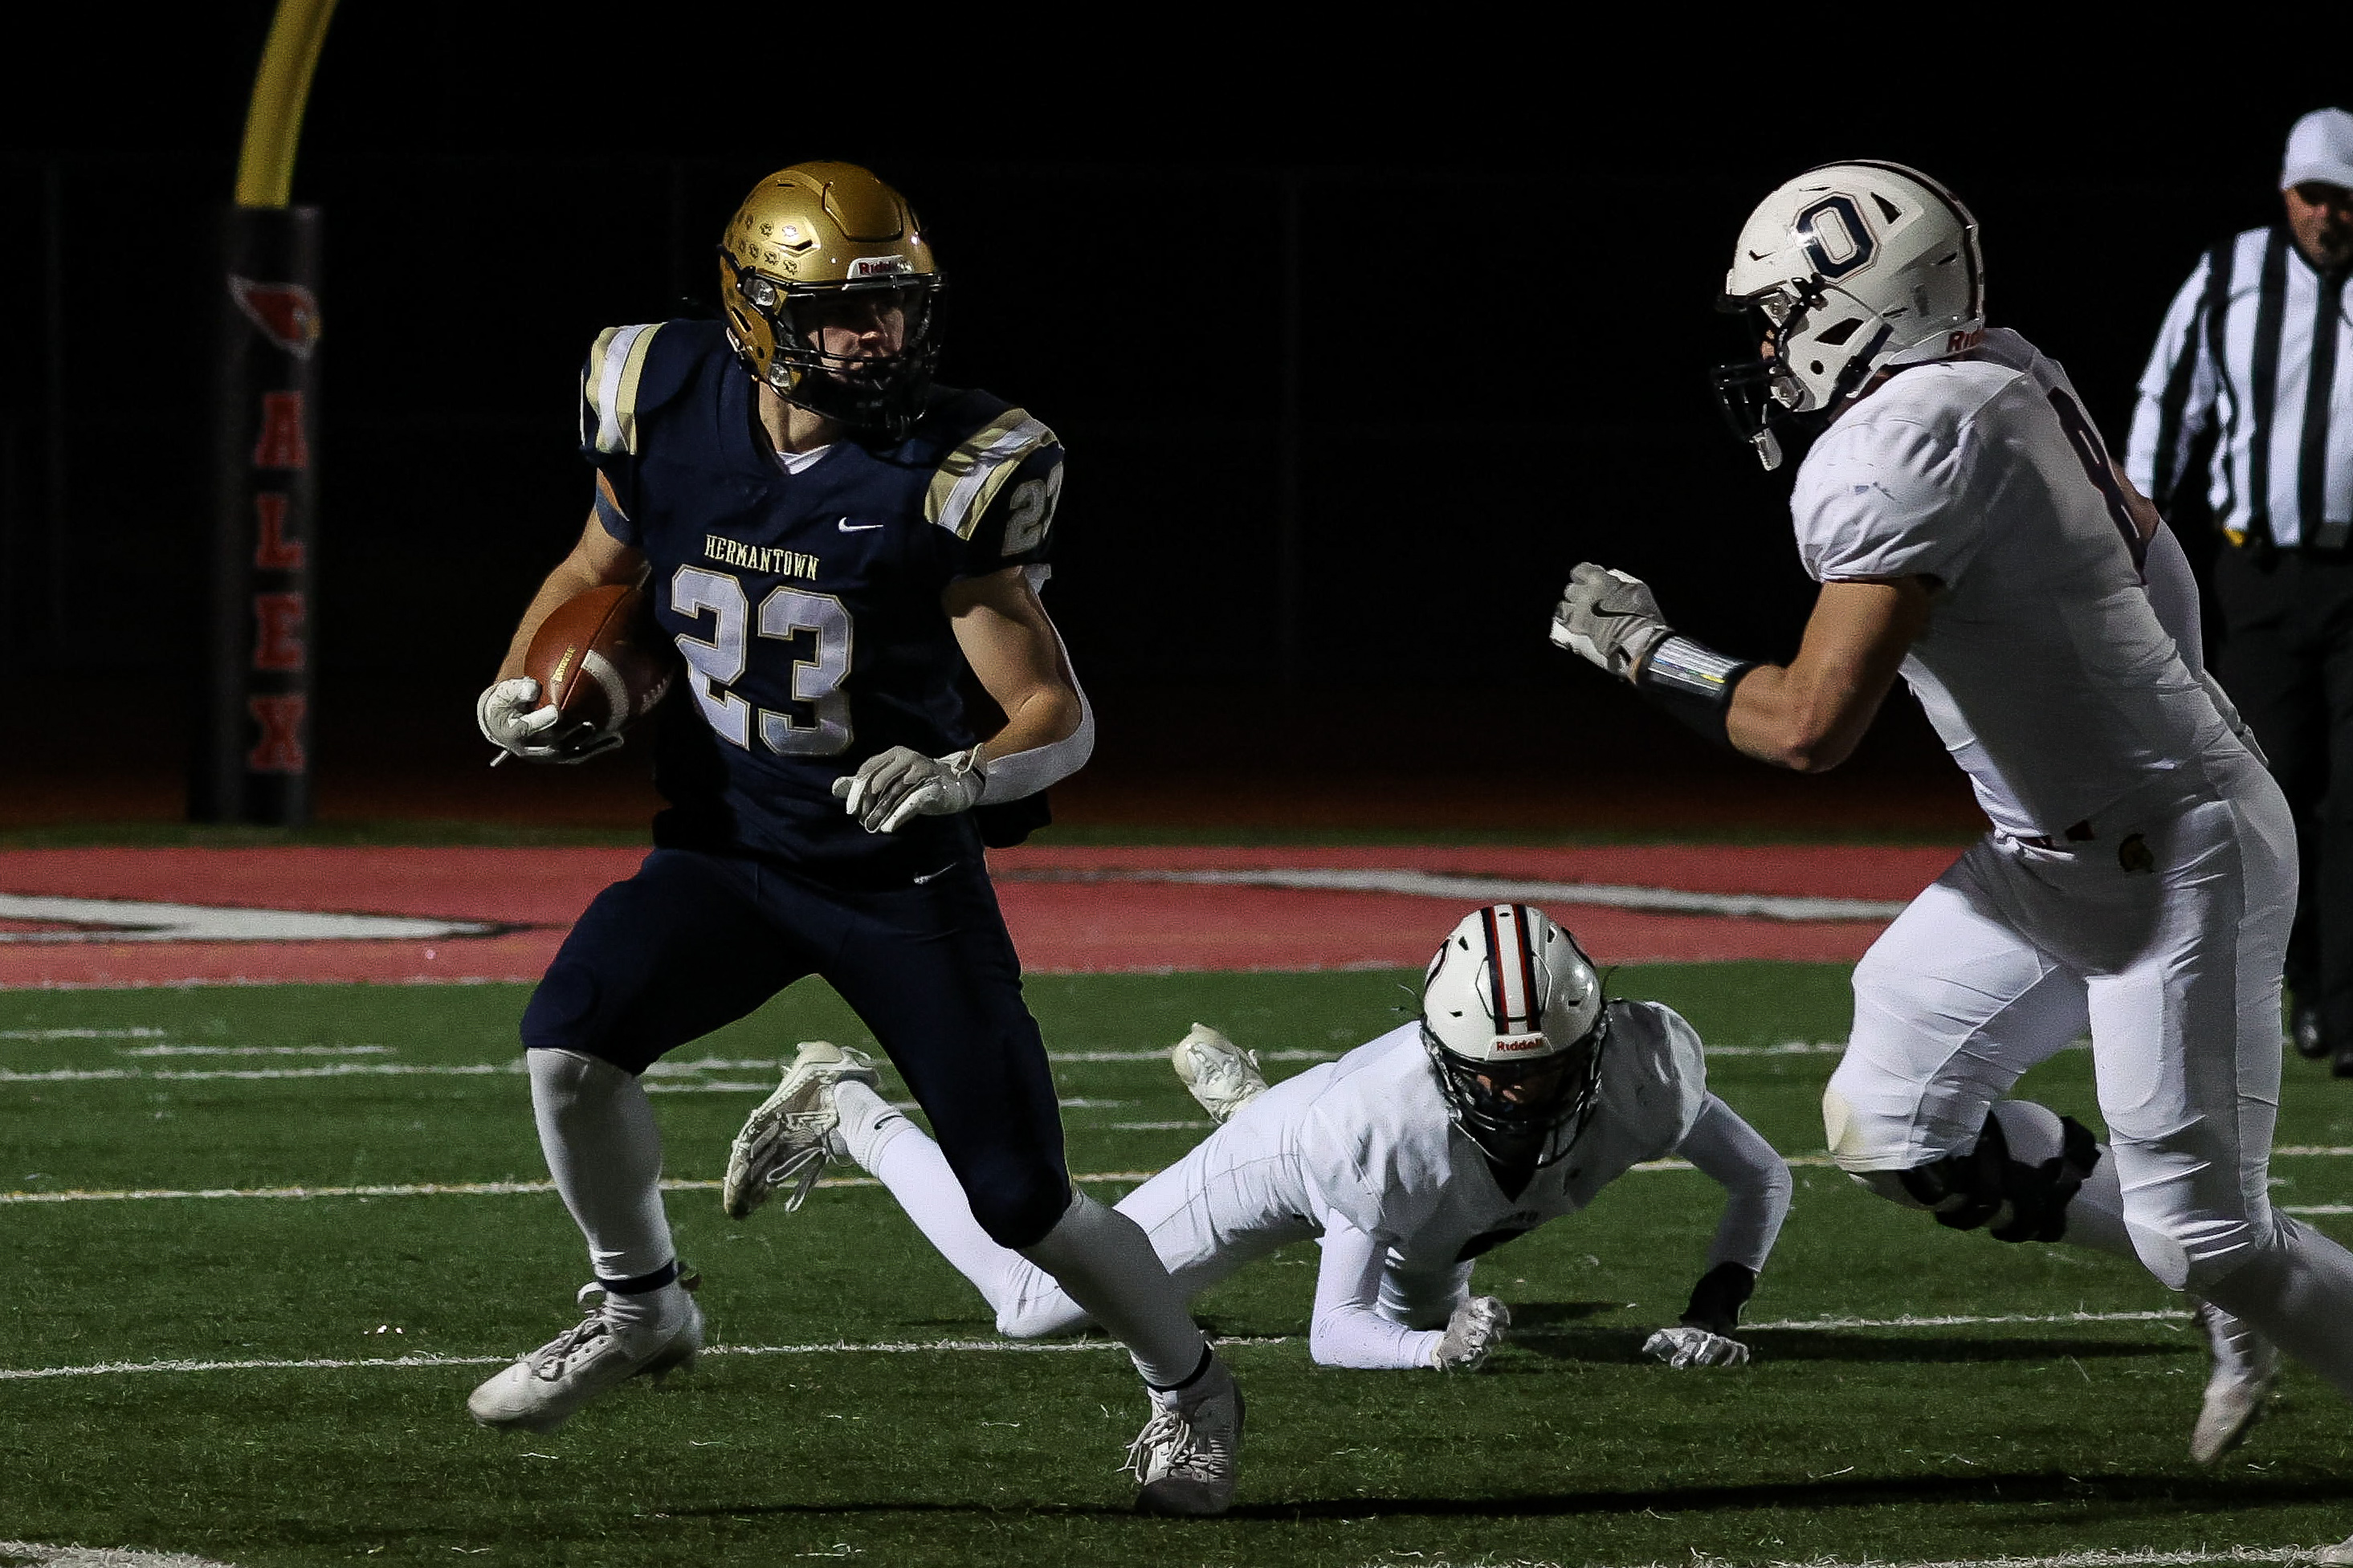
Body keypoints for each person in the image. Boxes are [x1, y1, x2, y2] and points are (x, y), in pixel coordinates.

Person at [1548, 161, 2353, 1556]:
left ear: (1854, 303)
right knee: (1895, 1113)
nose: (1763, 344)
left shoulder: (1902, 441)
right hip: (2064, 848)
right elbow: (2156, 557)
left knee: (2207, 1233)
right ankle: (2218, 1272)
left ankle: (2230, 1271)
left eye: (1779, 312)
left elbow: (1809, 727)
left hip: (2174, 859)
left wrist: (1645, 652)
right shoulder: (2000, 371)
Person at [464, 161, 1241, 1516]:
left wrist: (959, 777)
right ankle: (642, 1302)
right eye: (842, 314)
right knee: (570, 1043)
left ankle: (1192, 1387)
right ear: (756, 310)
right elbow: (600, 575)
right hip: (726, 846)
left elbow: (1054, 713)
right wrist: (523, 684)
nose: (878, 340)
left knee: (1022, 1199)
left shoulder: (954, 464)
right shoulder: (657, 393)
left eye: (894, 309)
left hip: (897, 873)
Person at [723, 905, 1792, 1375]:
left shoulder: (1649, 1069)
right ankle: (844, 1105)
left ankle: (1254, 1105)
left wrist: (1715, 1309)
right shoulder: (1384, 1126)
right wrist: (1431, 1350)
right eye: (1494, 1072)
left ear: (1596, 1038)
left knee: (1431, 1278)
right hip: (1317, 1157)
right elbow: (1337, 1334)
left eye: (1546, 1068)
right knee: (1031, 1302)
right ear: (1444, 1053)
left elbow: (1761, 1179)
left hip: (1419, 1207)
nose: (1520, 1094)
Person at [2125, 108, 2353, 1073]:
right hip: (2257, 575)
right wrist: (2123, 551)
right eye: (2314, 194)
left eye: (2345, 197)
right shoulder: (2228, 277)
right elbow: (2163, 407)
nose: (2329, 215)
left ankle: (2342, 1014)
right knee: (2273, 793)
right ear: (2284, 192)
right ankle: (2300, 984)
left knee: (2352, 801)